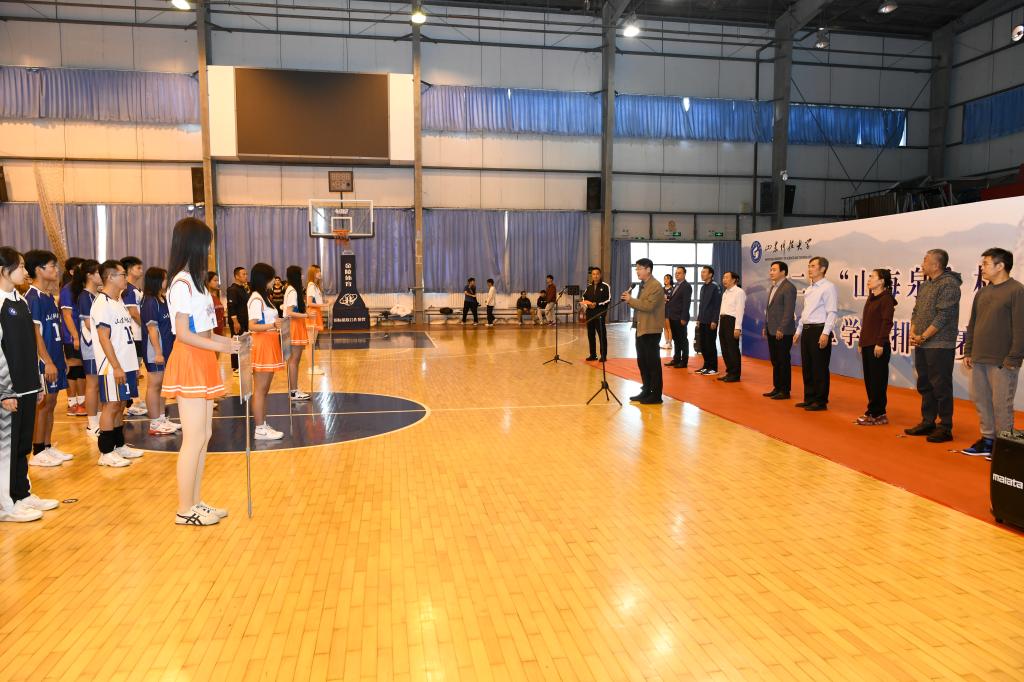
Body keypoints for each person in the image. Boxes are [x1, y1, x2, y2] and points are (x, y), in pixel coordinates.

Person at [161, 217, 238, 525]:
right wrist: (223, 348)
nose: (208, 250)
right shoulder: (181, 284)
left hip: (204, 358)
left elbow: (206, 333)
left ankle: (195, 501)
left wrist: (233, 344)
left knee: (204, 434)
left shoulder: (199, 284)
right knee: (193, 438)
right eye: (205, 244)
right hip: (190, 360)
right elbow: (183, 334)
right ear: (193, 244)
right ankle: (184, 509)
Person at [0, 247, 58, 522]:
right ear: (4, 271)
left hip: (27, 386)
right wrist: (4, 392)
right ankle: (5, 505)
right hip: (8, 390)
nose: (25, 271)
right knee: (6, 449)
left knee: (22, 446)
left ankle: (21, 494)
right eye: (21, 266)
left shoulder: (20, 301)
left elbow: (30, 345)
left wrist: (36, 384)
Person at [961, 248, 1024, 456]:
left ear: (1000, 266)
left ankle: (1005, 449)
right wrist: (968, 351)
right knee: (982, 402)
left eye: (986, 263)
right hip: (979, 358)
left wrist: (1013, 358)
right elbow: (973, 323)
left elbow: (1021, 327)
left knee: (1001, 405)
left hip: (1003, 361)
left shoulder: (1017, 291)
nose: (983, 268)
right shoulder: (983, 292)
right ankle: (988, 441)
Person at [904, 249, 962, 443]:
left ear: (936, 265)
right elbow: (916, 311)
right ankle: (928, 421)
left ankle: (945, 427)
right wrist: (914, 333)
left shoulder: (949, 284)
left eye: (925, 261)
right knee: (925, 383)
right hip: (922, 343)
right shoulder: (926, 285)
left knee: (941, 385)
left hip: (940, 344)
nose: (922, 264)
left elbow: (943, 316)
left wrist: (924, 336)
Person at [91, 260, 145, 467]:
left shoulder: (118, 301)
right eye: (122, 274)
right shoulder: (102, 303)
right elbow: (103, 338)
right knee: (111, 405)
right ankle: (106, 451)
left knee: (121, 404)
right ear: (110, 277)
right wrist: (116, 366)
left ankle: (119, 444)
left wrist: (130, 366)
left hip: (126, 363)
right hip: (112, 365)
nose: (126, 278)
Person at [24, 250, 73, 467]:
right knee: (43, 404)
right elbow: (35, 334)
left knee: (52, 403)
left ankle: (47, 445)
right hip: (44, 361)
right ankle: (37, 451)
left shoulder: (48, 297)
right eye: (52, 266)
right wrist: (48, 361)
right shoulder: (32, 298)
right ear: (38, 269)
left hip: (55, 357)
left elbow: (54, 331)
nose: (56, 269)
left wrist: (62, 358)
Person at [794, 256, 838, 411]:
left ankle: (820, 401)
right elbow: (806, 312)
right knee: (807, 366)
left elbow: (832, 312)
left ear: (822, 269)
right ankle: (809, 398)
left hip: (819, 330)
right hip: (807, 330)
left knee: (819, 367)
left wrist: (825, 333)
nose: (809, 269)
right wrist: (798, 330)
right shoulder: (810, 288)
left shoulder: (828, 287)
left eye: (813, 266)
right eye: (809, 266)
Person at [248, 263, 286, 441]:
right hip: (262, 343)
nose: (273, 281)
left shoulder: (264, 298)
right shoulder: (256, 299)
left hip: (270, 342)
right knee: (260, 389)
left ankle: (263, 424)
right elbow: (252, 325)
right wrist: (272, 325)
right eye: (271, 278)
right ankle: (259, 428)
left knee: (264, 390)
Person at [141, 267, 179, 436]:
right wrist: (157, 352)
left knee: (163, 385)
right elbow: (152, 330)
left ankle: (162, 418)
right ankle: (154, 422)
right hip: (155, 350)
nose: (167, 281)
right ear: (156, 280)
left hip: (167, 348)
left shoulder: (162, 299)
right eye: (164, 278)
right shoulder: (150, 302)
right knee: (154, 385)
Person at [622, 258, 665, 404]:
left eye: (639, 268)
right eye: (636, 268)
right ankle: (646, 390)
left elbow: (648, 306)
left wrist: (631, 300)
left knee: (653, 364)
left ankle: (656, 395)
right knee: (643, 362)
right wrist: (629, 300)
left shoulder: (655, 286)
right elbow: (640, 306)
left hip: (651, 330)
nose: (637, 271)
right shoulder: (643, 285)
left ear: (648, 269)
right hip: (641, 329)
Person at [857, 269, 896, 425]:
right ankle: (874, 412)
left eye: (872, 277)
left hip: (878, 346)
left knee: (877, 381)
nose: (869, 279)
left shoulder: (886, 299)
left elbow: (887, 322)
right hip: (867, 344)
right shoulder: (872, 297)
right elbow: (866, 322)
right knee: (869, 380)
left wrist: (880, 343)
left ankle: (877, 414)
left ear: (881, 281)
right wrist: (861, 342)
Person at [74, 259, 102, 437]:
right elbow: (89, 324)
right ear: (89, 275)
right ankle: (92, 424)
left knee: (99, 384)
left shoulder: (97, 294)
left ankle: (99, 419)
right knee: (92, 384)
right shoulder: (84, 296)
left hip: (101, 345)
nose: (102, 275)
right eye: (98, 272)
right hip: (91, 345)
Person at [762, 261, 796, 400]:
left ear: (783, 272)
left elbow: (789, 311)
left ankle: (785, 390)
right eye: (770, 269)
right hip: (771, 329)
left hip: (783, 331)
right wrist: (765, 326)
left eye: (774, 270)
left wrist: (781, 328)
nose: (771, 272)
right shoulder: (773, 287)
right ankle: (777, 388)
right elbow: (769, 310)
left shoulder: (789, 287)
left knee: (783, 360)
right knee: (775, 360)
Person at [120, 256, 149, 418]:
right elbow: (133, 313)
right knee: (132, 369)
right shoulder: (128, 290)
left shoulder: (136, 289)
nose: (141, 271)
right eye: (138, 268)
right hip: (134, 335)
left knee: (136, 369)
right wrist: (147, 328)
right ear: (129, 269)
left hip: (139, 336)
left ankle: (132, 401)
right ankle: (128, 403)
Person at [59, 257, 87, 417]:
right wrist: (75, 336)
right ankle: (72, 403)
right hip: (72, 336)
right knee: (73, 367)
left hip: (85, 335)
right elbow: (67, 315)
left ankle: (82, 401)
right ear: (71, 271)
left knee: (81, 368)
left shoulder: (82, 288)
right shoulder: (67, 289)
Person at [283, 265, 310, 401]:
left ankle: (293, 389)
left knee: (294, 360)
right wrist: (306, 315)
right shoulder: (292, 291)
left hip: (294, 325)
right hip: (294, 326)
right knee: (294, 360)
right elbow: (289, 312)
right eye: (300, 274)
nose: (302, 277)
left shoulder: (291, 289)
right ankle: (293, 391)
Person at [717, 271, 746, 383]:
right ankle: (729, 372)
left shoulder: (739, 292)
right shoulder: (725, 292)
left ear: (734, 280)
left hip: (732, 321)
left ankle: (735, 374)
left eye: (726, 277)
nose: (724, 280)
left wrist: (737, 327)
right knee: (724, 348)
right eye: (723, 277)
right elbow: (722, 310)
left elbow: (740, 310)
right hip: (723, 321)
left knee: (732, 349)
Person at [694, 266, 721, 375]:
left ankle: (713, 367)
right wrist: (699, 318)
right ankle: (706, 366)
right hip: (703, 320)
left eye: (704, 272)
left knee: (710, 344)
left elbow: (717, 305)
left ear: (710, 274)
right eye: (701, 272)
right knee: (703, 344)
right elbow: (701, 305)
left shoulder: (715, 287)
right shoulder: (703, 287)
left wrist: (715, 320)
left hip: (711, 321)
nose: (702, 274)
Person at [664, 266, 692, 369]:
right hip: (673, 316)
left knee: (683, 340)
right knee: (676, 339)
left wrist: (684, 318)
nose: (676, 274)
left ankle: (684, 361)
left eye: (679, 273)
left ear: (684, 274)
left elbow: (686, 303)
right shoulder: (676, 285)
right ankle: (676, 359)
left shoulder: (686, 286)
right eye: (676, 273)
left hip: (680, 317)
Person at [582, 267, 611, 361]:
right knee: (591, 335)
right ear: (592, 275)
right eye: (593, 274)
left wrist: (597, 304)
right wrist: (587, 305)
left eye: (597, 274)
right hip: (590, 315)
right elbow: (584, 298)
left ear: (600, 275)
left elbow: (608, 299)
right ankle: (593, 354)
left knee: (602, 336)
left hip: (600, 315)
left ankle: (603, 356)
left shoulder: (605, 286)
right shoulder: (589, 287)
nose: (595, 276)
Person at [226, 266, 250, 376]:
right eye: (243, 274)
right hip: (237, 322)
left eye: (246, 274)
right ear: (236, 276)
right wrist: (235, 322)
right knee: (236, 343)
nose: (246, 276)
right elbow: (231, 307)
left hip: (245, 321)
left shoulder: (243, 288)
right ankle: (235, 367)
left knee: (244, 343)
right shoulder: (232, 289)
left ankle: (242, 365)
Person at [305, 265, 324, 375]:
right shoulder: (311, 286)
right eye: (317, 272)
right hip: (313, 313)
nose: (319, 273)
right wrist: (323, 305)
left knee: (313, 342)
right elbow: (309, 302)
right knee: (310, 343)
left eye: (320, 271)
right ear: (313, 273)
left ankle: (312, 366)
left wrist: (323, 304)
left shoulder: (315, 286)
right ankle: (310, 367)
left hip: (316, 312)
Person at [207, 271, 226, 337]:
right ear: (207, 282)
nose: (217, 283)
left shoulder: (216, 297)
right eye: (215, 280)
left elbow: (221, 318)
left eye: (218, 281)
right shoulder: (206, 298)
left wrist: (223, 334)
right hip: (211, 335)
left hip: (219, 333)